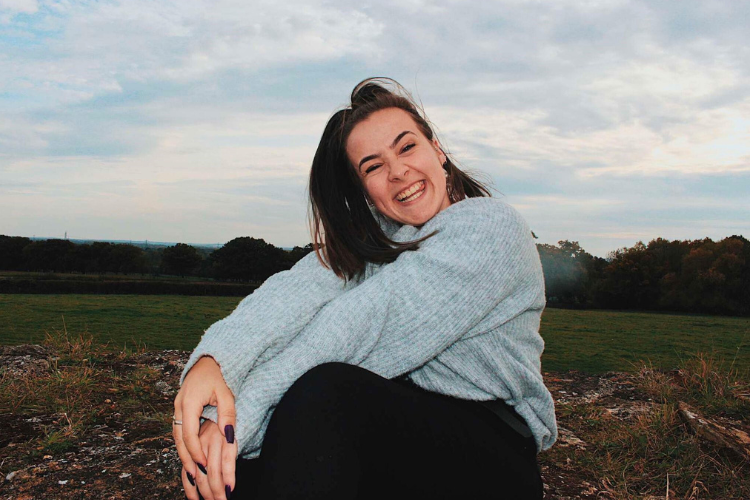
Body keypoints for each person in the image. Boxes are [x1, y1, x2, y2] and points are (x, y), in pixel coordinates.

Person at [173, 78, 557, 500]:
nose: (397, 171)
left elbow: (362, 326)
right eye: (373, 166)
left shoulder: (489, 229)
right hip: (398, 433)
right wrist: (215, 363)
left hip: (491, 454)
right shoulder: (381, 238)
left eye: (406, 147)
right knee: (238, 471)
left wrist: (238, 418)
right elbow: (294, 291)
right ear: (366, 191)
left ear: (438, 150)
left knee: (327, 393)